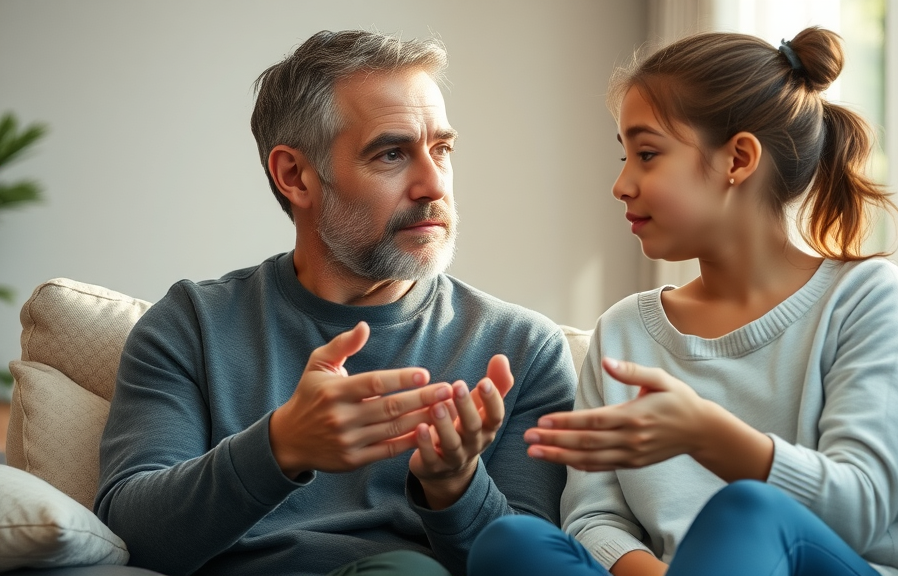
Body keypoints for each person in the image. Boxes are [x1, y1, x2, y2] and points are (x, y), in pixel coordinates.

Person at [95, 30, 576, 576]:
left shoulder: (521, 352)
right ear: (294, 175)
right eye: (392, 153)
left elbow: (533, 566)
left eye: (441, 149)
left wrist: (454, 484)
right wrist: (281, 446)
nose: (433, 185)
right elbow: (128, 534)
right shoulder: (192, 326)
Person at [468, 27, 898, 576]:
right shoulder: (623, 332)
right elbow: (593, 519)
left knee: (748, 510)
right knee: (511, 543)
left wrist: (705, 434)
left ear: (737, 159)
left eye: (646, 154)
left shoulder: (865, 297)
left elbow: (860, 509)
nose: (621, 184)